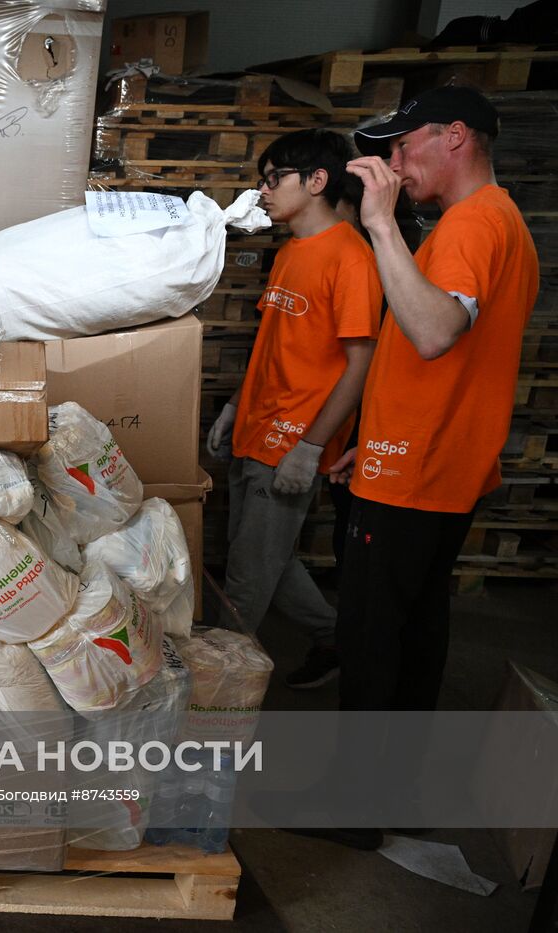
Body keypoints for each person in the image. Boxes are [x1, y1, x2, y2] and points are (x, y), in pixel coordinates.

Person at [331, 85, 538, 714]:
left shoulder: (474, 224)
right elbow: (450, 361)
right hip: (427, 462)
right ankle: (402, 796)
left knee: (371, 641)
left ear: (454, 136)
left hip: (413, 476)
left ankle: (352, 806)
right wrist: (374, 437)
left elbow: (433, 331)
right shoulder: (492, 220)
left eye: (401, 146)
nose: (394, 166)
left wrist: (379, 224)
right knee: (414, 632)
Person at [205, 129, 382, 689]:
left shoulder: (351, 259)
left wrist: (309, 449)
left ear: (317, 181)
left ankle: (214, 692)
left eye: (273, 177)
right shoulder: (290, 252)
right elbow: (273, 342)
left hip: (291, 440)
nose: (262, 191)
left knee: (246, 579)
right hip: (257, 427)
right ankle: (336, 638)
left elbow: (361, 364)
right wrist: (236, 405)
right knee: (264, 557)